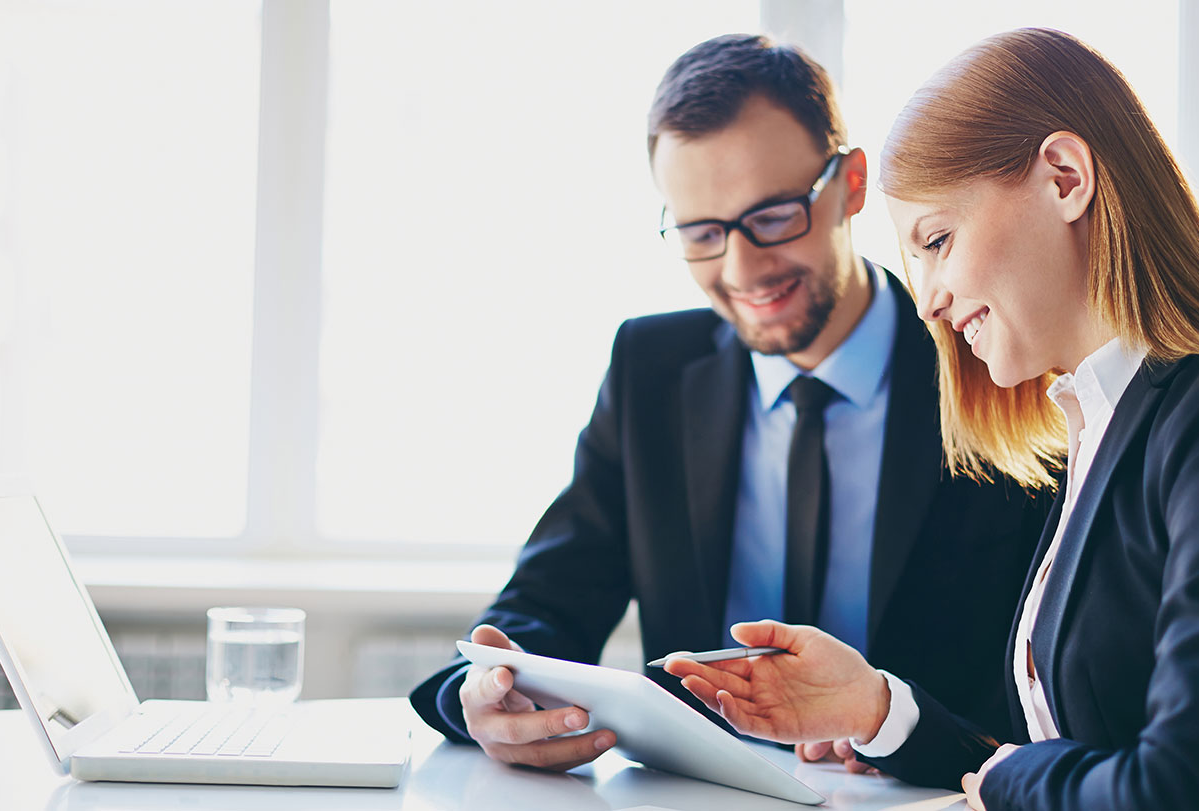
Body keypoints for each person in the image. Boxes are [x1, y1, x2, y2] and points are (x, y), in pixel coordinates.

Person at [666, 27, 1199, 810]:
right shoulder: (1095, 424)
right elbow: (1071, 757)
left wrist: (1006, 778)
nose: (925, 299)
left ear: (1065, 178)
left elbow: (1192, 786)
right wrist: (879, 708)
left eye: (937, 240)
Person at [408, 34, 1050, 772]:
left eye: (774, 215)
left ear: (850, 185)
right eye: (702, 233)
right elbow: (548, 601)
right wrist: (483, 692)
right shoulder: (651, 368)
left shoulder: (988, 355)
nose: (743, 268)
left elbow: (1046, 691)